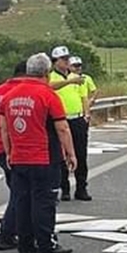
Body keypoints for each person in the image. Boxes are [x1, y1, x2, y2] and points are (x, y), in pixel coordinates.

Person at [0, 53, 77, 253]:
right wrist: (70, 153)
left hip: (18, 158)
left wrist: (8, 152)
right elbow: (62, 128)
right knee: (44, 201)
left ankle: (25, 244)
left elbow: (4, 128)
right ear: (47, 72)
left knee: (22, 201)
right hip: (44, 157)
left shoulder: (11, 95)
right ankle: (46, 243)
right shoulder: (48, 95)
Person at [0, 59, 29, 251]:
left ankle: (16, 231)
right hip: (19, 149)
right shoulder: (25, 92)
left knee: (17, 190)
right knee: (20, 193)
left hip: (1, 149)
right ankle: (7, 234)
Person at [48, 45, 91, 201]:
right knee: (61, 155)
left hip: (77, 118)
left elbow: (83, 97)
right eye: (63, 59)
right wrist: (69, 82)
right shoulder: (51, 76)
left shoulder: (75, 77)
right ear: (55, 61)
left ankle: (81, 187)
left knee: (81, 154)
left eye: (67, 59)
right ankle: (64, 188)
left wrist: (86, 114)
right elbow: (50, 87)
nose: (67, 62)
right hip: (60, 120)